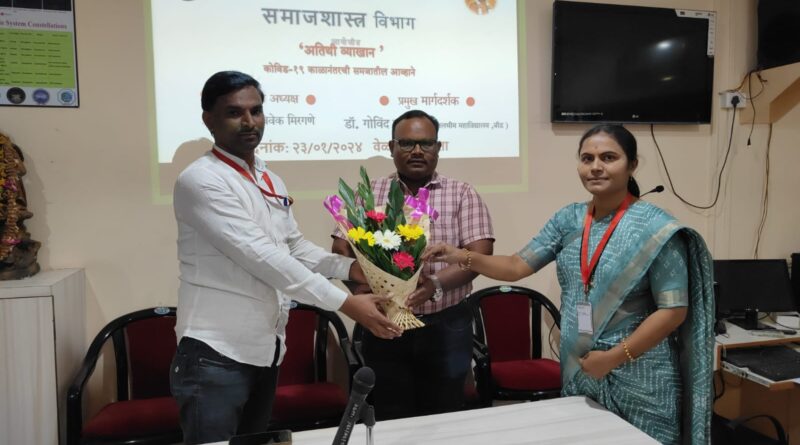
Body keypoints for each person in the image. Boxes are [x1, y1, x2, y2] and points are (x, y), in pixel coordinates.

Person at [424, 124, 714, 444]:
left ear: (632, 164)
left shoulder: (656, 229)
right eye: (587, 158)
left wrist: (615, 357)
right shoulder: (569, 219)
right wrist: (460, 255)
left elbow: (673, 310)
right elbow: (516, 265)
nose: (596, 167)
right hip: (583, 369)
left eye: (608, 157)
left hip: (642, 378)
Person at [170, 71, 402, 444]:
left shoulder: (268, 178)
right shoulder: (201, 180)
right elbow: (263, 259)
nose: (249, 122)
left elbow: (292, 247)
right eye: (234, 112)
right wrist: (346, 302)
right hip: (215, 354)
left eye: (256, 111)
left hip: (266, 349)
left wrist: (355, 268)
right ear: (208, 119)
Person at [332, 109, 495, 420]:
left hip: (446, 324)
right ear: (390, 147)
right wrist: (364, 290)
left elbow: (479, 256)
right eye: (406, 143)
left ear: (438, 148)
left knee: (445, 414)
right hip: (384, 324)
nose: (418, 151)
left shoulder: (461, 193)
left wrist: (434, 286)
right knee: (391, 415)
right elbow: (341, 247)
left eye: (426, 144)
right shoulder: (370, 193)